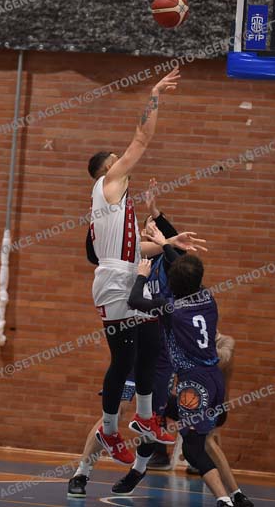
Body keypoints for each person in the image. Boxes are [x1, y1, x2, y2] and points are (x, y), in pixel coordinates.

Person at [88, 68, 203, 463]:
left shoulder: (115, 205)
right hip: (113, 280)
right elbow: (142, 137)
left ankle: (144, 417)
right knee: (123, 359)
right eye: (115, 161)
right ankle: (108, 431)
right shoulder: (109, 185)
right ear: (106, 171)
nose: (123, 161)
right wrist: (154, 93)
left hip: (122, 271)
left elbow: (133, 249)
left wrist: (168, 242)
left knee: (152, 344)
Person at [69, 199, 186, 498]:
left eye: (155, 227)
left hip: (161, 353)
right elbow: (97, 254)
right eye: (145, 226)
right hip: (135, 341)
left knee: (151, 420)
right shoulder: (129, 260)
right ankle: (82, 471)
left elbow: (181, 255)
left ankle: (138, 469)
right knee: (117, 408)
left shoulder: (169, 262)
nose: (149, 229)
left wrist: (158, 216)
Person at [127, 253, 234, 507]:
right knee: (187, 425)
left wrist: (141, 275)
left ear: (172, 285)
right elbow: (188, 272)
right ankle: (237, 494)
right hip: (214, 379)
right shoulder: (208, 297)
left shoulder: (171, 309)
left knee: (193, 451)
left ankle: (224, 500)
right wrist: (166, 244)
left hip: (194, 384)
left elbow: (134, 300)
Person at [165, 332, 255, 507]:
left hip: (215, 406)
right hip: (194, 403)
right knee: (208, 444)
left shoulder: (226, 342)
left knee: (203, 446)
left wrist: (195, 344)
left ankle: (231, 495)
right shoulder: (189, 339)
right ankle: (236, 495)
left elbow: (222, 360)